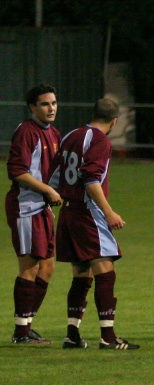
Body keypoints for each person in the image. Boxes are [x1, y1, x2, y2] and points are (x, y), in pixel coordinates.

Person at [50, 98, 139, 350]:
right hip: (87, 212)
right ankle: (107, 337)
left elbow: (55, 174)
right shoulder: (100, 140)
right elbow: (91, 180)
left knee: (81, 273)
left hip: (68, 211)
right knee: (105, 270)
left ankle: (72, 334)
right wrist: (108, 212)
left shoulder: (71, 135)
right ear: (114, 121)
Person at [6, 84, 62, 344]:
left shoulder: (54, 134)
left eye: (53, 103)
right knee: (29, 268)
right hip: (26, 208)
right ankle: (21, 332)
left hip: (42, 208)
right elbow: (18, 171)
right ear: (32, 107)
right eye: (44, 104)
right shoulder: (26, 132)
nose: (51, 108)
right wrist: (47, 190)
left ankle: (27, 323)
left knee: (47, 267)